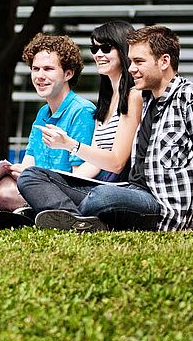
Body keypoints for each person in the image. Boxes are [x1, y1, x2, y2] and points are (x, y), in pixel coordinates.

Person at [77, 25, 193, 231]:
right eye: (130, 62)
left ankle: (69, 217)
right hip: (134, 195)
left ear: (164, 61)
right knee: (36, 178)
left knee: (102, 196)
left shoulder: (191, 97)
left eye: (138, 62)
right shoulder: (143, 100)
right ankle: (66, 217)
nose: (130, 69)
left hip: (161, 209)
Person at [16, 21, 143, 231]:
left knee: (32, 178)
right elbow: (95, 158)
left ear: (123, 50)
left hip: (113, 188)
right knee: (20, 180)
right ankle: (64, 216)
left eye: (105, 48)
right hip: (97, 186)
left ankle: (70, 218)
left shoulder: (132, 96)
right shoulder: (107, 100)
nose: (98, 54)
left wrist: (70, 145)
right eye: (94, 49)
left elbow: (117, 163)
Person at [0, 33, 96, 212]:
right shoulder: (43, 111)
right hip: (38, 185)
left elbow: (79, 176)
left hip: (66, 192)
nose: (39, 76)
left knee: (5, 194)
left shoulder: (82, 110)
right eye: (35, 69)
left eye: (48, 69)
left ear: (68, 73)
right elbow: (30, 160)